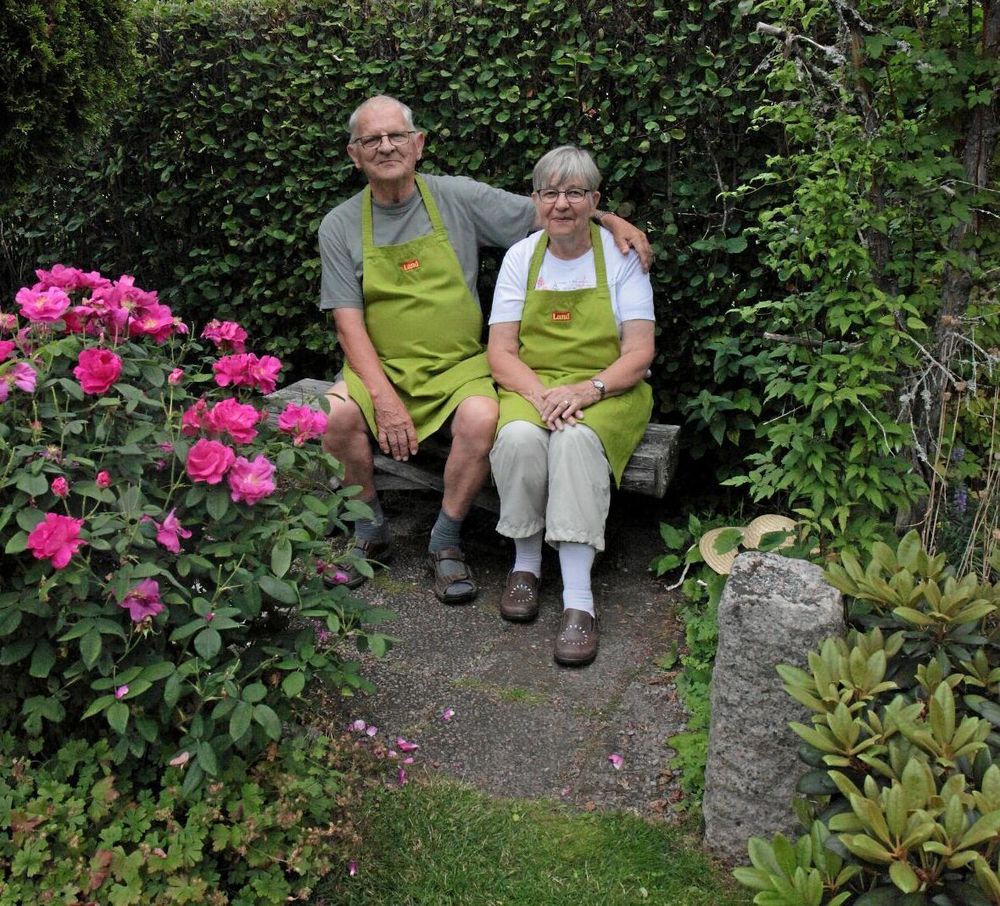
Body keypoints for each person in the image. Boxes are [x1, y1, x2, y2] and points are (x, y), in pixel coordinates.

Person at [318, 96, 650, 603]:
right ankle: (369, 528)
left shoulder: (458, 198)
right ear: (354, 154)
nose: (386, 147)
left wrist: (609, 220)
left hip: (459, 368)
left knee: (480, 418)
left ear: (419, 144)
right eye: (371, 140)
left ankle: (446, 540)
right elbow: (348, 324)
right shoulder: (339, 225)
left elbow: (551, 209)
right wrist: (382, 398)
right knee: (334, 416)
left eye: (397, 136)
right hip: (380, 368)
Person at [486, 145, 655, 665]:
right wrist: (541, 397)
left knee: (577, 440)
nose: (563, 204)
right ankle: (526, 564)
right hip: (534, 384)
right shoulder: (522, 256)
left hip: (609, 387)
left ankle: (578, 599)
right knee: (517, 437)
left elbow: (641, 351)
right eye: (551, 192)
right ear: (536, 200)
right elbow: (500, 352)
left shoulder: (619, 256)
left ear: (595, 200)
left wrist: (587, 392)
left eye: (576, 192)